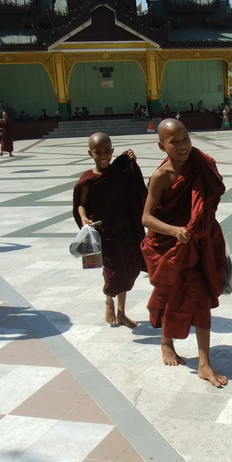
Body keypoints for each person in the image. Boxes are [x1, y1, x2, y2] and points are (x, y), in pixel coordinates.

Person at [141, 119, 228, 388]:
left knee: (201, 298)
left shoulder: (202, 164)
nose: (183, 146)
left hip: (201, 241)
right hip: (173, 245)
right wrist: (174, 230)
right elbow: (146, 218)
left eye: (185, 139)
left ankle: (204, 363)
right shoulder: (161, 176)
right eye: (174, 142)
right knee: (170, 294)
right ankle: (166, 342)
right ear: (161, 146)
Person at [74, 132, 147, 327]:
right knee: (113, 271)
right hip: (104, 233)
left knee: (128, 270)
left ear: (112, 151)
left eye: (107, 151)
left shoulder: (119, 175)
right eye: (98, 152)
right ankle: (109, 300)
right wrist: (83, 218)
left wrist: (132, 163)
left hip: (125, 230)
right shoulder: (88, 179)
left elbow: (135, 190)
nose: (103, 156)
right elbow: (81, 204)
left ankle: (122, 312)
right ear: (90, 153)